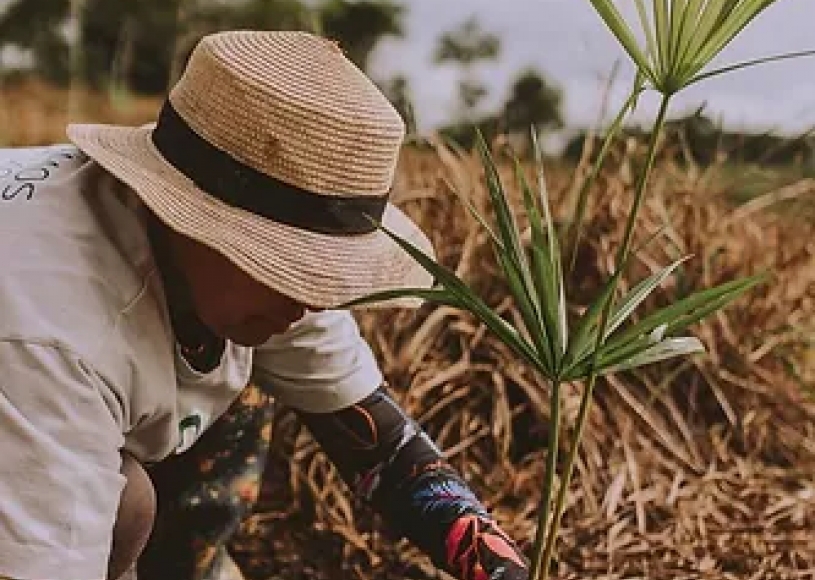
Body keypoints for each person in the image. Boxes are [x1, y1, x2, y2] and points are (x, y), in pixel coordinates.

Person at [0, 30, 529, 580]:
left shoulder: (252, 281)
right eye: (288, 265)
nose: (311, 299)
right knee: (127, 506)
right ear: (191, 218)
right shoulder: (55, 332)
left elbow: (388, 454)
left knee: (238, 388)